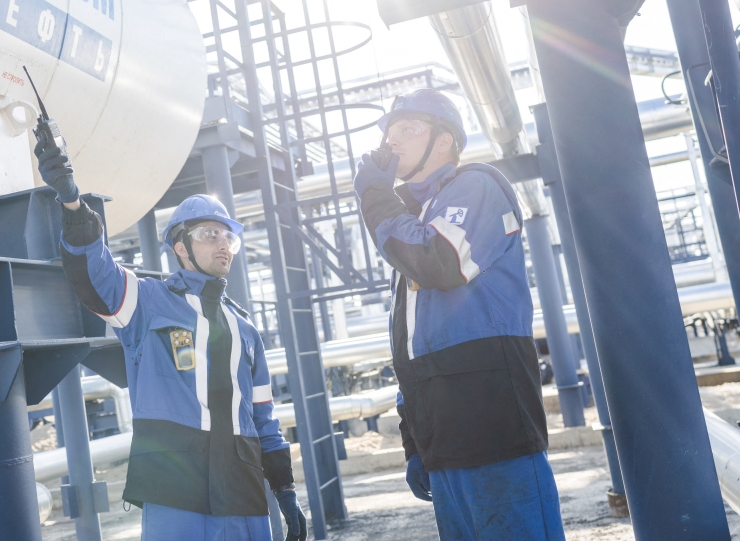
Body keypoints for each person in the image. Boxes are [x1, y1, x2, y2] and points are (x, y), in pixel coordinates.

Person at [34, 129, 307, 541]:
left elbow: (263, 417)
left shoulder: (245, 330)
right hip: (175, 484)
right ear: (181, 247)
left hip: (242, 485)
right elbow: (94, 274)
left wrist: (285, 490)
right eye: (209, 235)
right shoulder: (146, 303)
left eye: (228, 236)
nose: (223, 245)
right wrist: (73, 203)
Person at [353, 89, 565, 540]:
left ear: (445, 140)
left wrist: (376, 197)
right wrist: (415, 440)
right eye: (389, 132)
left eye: (408, 129)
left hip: (491, 415)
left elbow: (441, 263)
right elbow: (407, 342)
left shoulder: (476, 186)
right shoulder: (415, 219)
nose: (393, 142)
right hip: (442, 431)